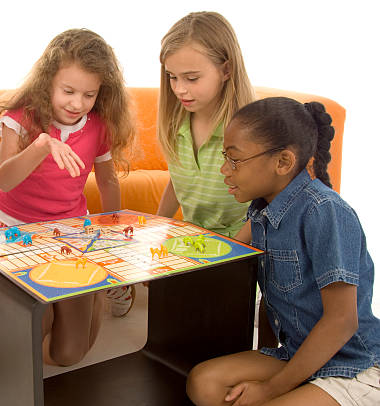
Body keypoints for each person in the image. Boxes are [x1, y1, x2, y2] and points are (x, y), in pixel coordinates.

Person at [186, 97, 380, 405]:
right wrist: (267, 360)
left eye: (234, 160)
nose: (224, 170)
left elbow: (343, 320)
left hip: (353, 365)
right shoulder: (262, 212)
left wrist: (271, 388)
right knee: (203, 383)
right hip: (296, 353)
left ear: (283, 162)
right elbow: (273, 296)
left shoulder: (325, 211)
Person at [0, 28, 136, 364]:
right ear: (48, 82)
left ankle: (99, 288)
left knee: (70, 354)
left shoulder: (97, 124)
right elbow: (4, 180)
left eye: (89, 94)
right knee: (33, 337)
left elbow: (108, 181)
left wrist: (111, 234)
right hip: (19, 231)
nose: (77, 104)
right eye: (68, 91)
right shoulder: (21, 118)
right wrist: (41, 145)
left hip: (71, 232)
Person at [156, 11, 254, 241]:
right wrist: (155, 229)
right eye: (172, 77)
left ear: (226, 70)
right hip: (190, 242)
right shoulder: (176, 122)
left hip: (238, 247)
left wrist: (233, 252)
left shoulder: (250, 129)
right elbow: (179, 183)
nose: (180, 89)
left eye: (191, 78)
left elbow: (267, 204)